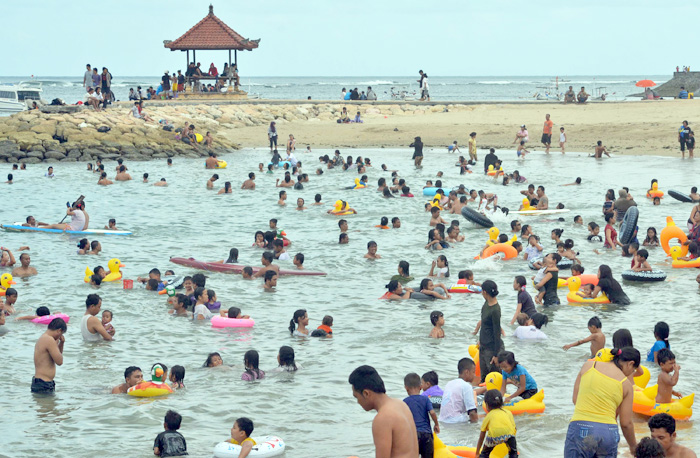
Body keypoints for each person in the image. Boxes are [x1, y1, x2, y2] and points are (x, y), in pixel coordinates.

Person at [564, 347, 640, 457]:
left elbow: (575, 399)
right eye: (633, 370)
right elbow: (626, 423)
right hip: (608, 433)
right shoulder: (626, 385)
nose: (631, 373)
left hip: (581, 428)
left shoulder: (588, 366)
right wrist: (633, 447)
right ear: (630, 363)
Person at [349, 365, 418, 458]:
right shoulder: (401, 404)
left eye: (356, 397)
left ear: (366, 393)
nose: (358, 402)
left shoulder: (383, 418)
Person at [403, 372, 439, 458]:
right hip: (427, 434)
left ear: (406, 388)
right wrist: (436, 424)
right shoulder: (425, 399)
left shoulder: (405, 402)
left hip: (413, 435)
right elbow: (432, 413)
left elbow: (402, 419)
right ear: (421, 387)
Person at [475, 390, 518, 458]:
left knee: (485, 454)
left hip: (493, 437)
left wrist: (477, 453)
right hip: (509, 435)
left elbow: (482, 436)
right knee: (513, 453)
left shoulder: (489, 416)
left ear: (487, 405)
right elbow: (514, 428)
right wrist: (512, 446)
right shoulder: (508, 412)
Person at [438, 358, 481, 423]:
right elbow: (472, 413)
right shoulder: (466, 386)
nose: (474, 375)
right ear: (467, 372)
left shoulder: (449, 384)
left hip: (442, 420)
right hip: (456, 421)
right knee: (482, 417)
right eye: (473, 372)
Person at [32, 317, 67, 393]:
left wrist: (61, 343)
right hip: (44, 383)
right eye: (61, 334)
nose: (59, 337)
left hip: (40, 382)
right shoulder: (49, 340)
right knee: (47, 404)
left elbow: (56, 357)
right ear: (59, 330)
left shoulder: (43, 338)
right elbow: (59, 361)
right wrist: (56, 343)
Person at [479, 280, 504, 382]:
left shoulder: (495, 310)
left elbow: (497, 332)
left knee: (494, 379)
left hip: (491, 348)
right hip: (483, 346)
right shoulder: (486, 303)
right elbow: (485, 325)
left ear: (485, 292)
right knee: (483, 379)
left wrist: (496, 355)